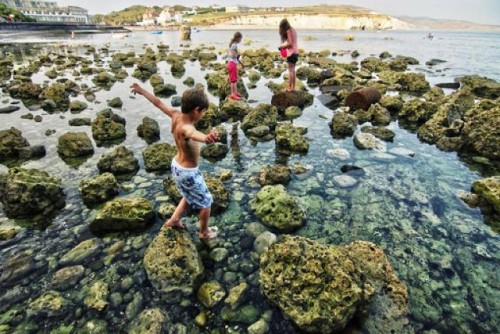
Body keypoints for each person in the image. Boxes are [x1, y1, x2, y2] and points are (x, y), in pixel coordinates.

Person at [130, 83, 220, 240]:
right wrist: (206, 138)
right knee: (206, 202)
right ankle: (204, 232)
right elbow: (193, 133)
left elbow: (157, 102)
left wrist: (142, 90)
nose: (203, 115)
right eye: (203, 112)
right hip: (188, 172)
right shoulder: (187, 127)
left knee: (187, 194)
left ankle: (174, 219)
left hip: (177, 166)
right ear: (196, 110)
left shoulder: (175, 115)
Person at [279, 19, 299, 92]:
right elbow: (293, 43)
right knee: (293, 71)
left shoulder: (288, 31)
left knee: (291, 71)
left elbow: (290, 43)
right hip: (296, 52)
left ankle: (290, 88)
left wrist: (282, 47)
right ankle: (293, 87)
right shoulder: (293, 30)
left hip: (292, 53)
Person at [228, 31, 244, 100]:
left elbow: (234, 56)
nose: (241, 40)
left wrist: (240, 62)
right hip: (232, 64)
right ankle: (232, 94)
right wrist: (237, 55)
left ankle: (236, 92)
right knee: (233, 80)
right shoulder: (234, 45)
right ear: (238, 38)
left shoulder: (234, 45)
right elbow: (232, 55)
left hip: (233, 63)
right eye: (240, 39)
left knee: (235, 79)